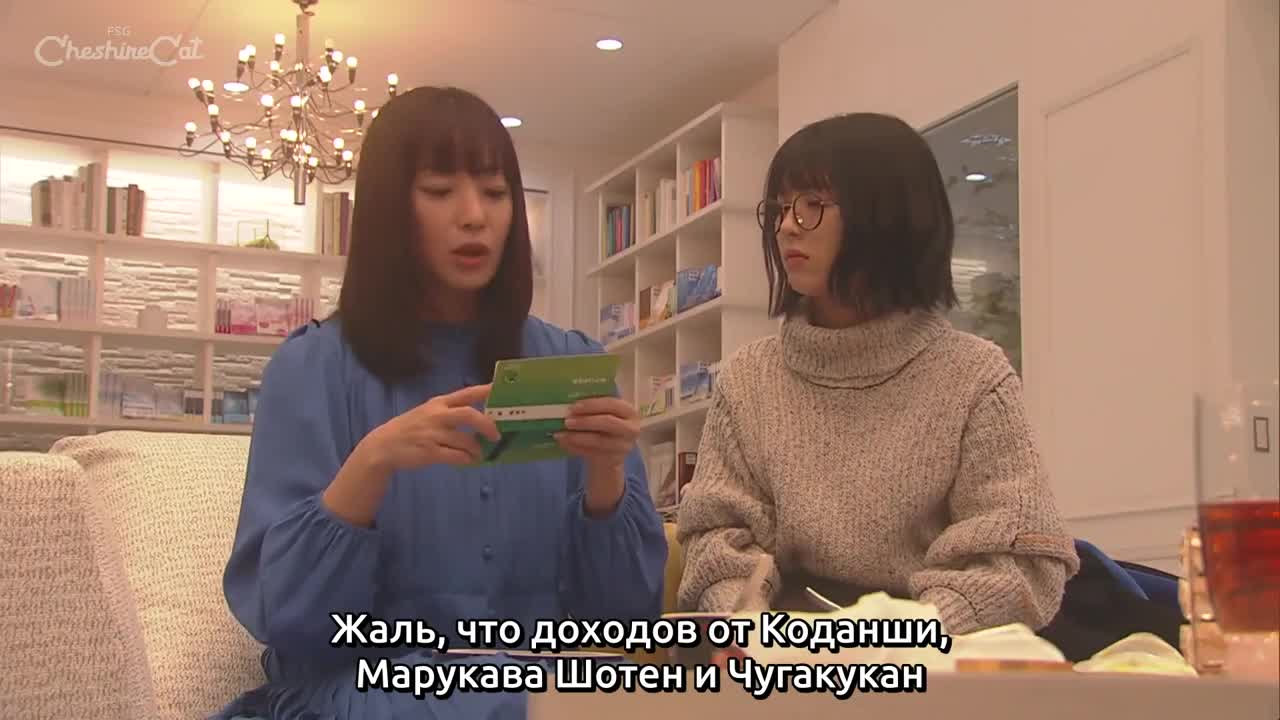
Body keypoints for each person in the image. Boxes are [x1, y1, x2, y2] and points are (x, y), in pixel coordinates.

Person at [217, 86, 667, 720]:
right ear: (388, 210)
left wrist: (606, 478)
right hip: (366, 689)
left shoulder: (566, 365)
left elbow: (621, 623)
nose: (473, 216)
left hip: (540, 683)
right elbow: (290, 621)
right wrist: (372, 462)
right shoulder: (313, 368)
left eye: (495, 192)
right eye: (438, 191)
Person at [675, 112, 1079, 636]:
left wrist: (902, 635)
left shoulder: (975, 377)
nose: (786, 225)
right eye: (780, 208)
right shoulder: (748, 379)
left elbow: (1020, 562)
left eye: (812, 205)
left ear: (886, 218)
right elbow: (715, 540)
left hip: (933, 660)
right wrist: (759, 631)